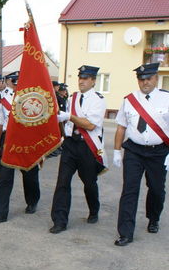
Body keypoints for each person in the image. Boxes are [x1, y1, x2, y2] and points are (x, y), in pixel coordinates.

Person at [113, 62, 169, 246]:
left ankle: (153, 218)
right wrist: (116, 150)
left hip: (158, 152)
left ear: (156, 79)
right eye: (141, 79)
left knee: (156, 189)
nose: (145, 82)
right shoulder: (129, 100)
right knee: (129, 190)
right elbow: (121, 127)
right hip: (134, 151)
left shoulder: (166, 98)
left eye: (149, 78)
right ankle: (125, 233)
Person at [50, 65, 107, 234]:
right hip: (70, 144)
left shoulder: (98, 99)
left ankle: (94, 209)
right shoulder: (72, 97)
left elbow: (90, 125)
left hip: (87, 146)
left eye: (86, 78)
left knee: (89, 182)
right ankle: (59, 220)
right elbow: (67, 121)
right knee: (62, 182)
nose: (81, 81)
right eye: (80, 77)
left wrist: (69, 116)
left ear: (93, 81)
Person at [0, 72, 40, 223]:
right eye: (15, 83)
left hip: (27, 140)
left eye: (21, 82)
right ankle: (0, 213)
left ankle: (32, 201)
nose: (18, 86)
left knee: (30, 174)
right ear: (11, 83)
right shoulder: (4, 98)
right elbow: (0, 122)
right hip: (9, 140)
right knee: (4, 177)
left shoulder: (32, 99)